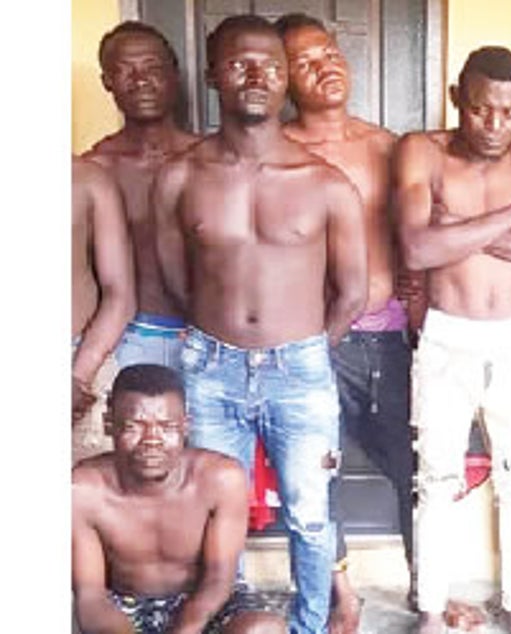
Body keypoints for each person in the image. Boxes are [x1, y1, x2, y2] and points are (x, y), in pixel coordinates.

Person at [153, 15, 367, 633]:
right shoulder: (180, 176)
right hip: (209, 368)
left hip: (299, 370)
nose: (256, 77)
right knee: (214, 514)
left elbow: (353, 291)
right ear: (213, 76)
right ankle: (229, 619)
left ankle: (308, 625)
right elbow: (175, 279)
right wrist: (222, 338)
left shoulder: (325, 184)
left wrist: (300, 350)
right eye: (239, 64)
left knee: (310, 513)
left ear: (285, 80)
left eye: (271, 66)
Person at [273, 14, 483, 633]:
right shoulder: (277, 152)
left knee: (420, 467)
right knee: (316, 471)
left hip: (393, 336)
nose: (325, 67)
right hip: (315, 340)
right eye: (305, 62)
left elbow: (425, 228)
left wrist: (422, 294)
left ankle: (428, 588)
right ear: (283, 79)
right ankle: (342, 594)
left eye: (329, 52)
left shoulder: (389, 147)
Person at [395, 45, 511, 634]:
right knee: (435, 480)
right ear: (455, 100)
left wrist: (458, 231)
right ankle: (431, 611)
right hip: (447, 338)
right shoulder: (422, 151)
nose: (495, 125)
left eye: (509, 112)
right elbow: (417, 249)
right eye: (479, 109)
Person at [72, 364, 286, 634]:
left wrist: (184, 630)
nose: (152, 440)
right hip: (124, 606)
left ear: (186, 426)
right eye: (133, 426)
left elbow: (219, 580)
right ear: (109, 425)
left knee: (264, 629)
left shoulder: (221, 478)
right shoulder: (83, 489)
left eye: (167, 427)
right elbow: (90, 596)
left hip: (206, 601)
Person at [85, 21, 200, 370]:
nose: (141, 81)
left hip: (210, 340)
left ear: (174, 75)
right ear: (107, 81)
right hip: (126, 339)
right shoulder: (96, 170)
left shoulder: (211, 161)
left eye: (152, 68)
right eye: (125, 70)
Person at [72, 156, 136, 453]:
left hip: (81, 364)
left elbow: (120, 294)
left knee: (93, 477)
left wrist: (79, 378)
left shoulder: (88, 179)